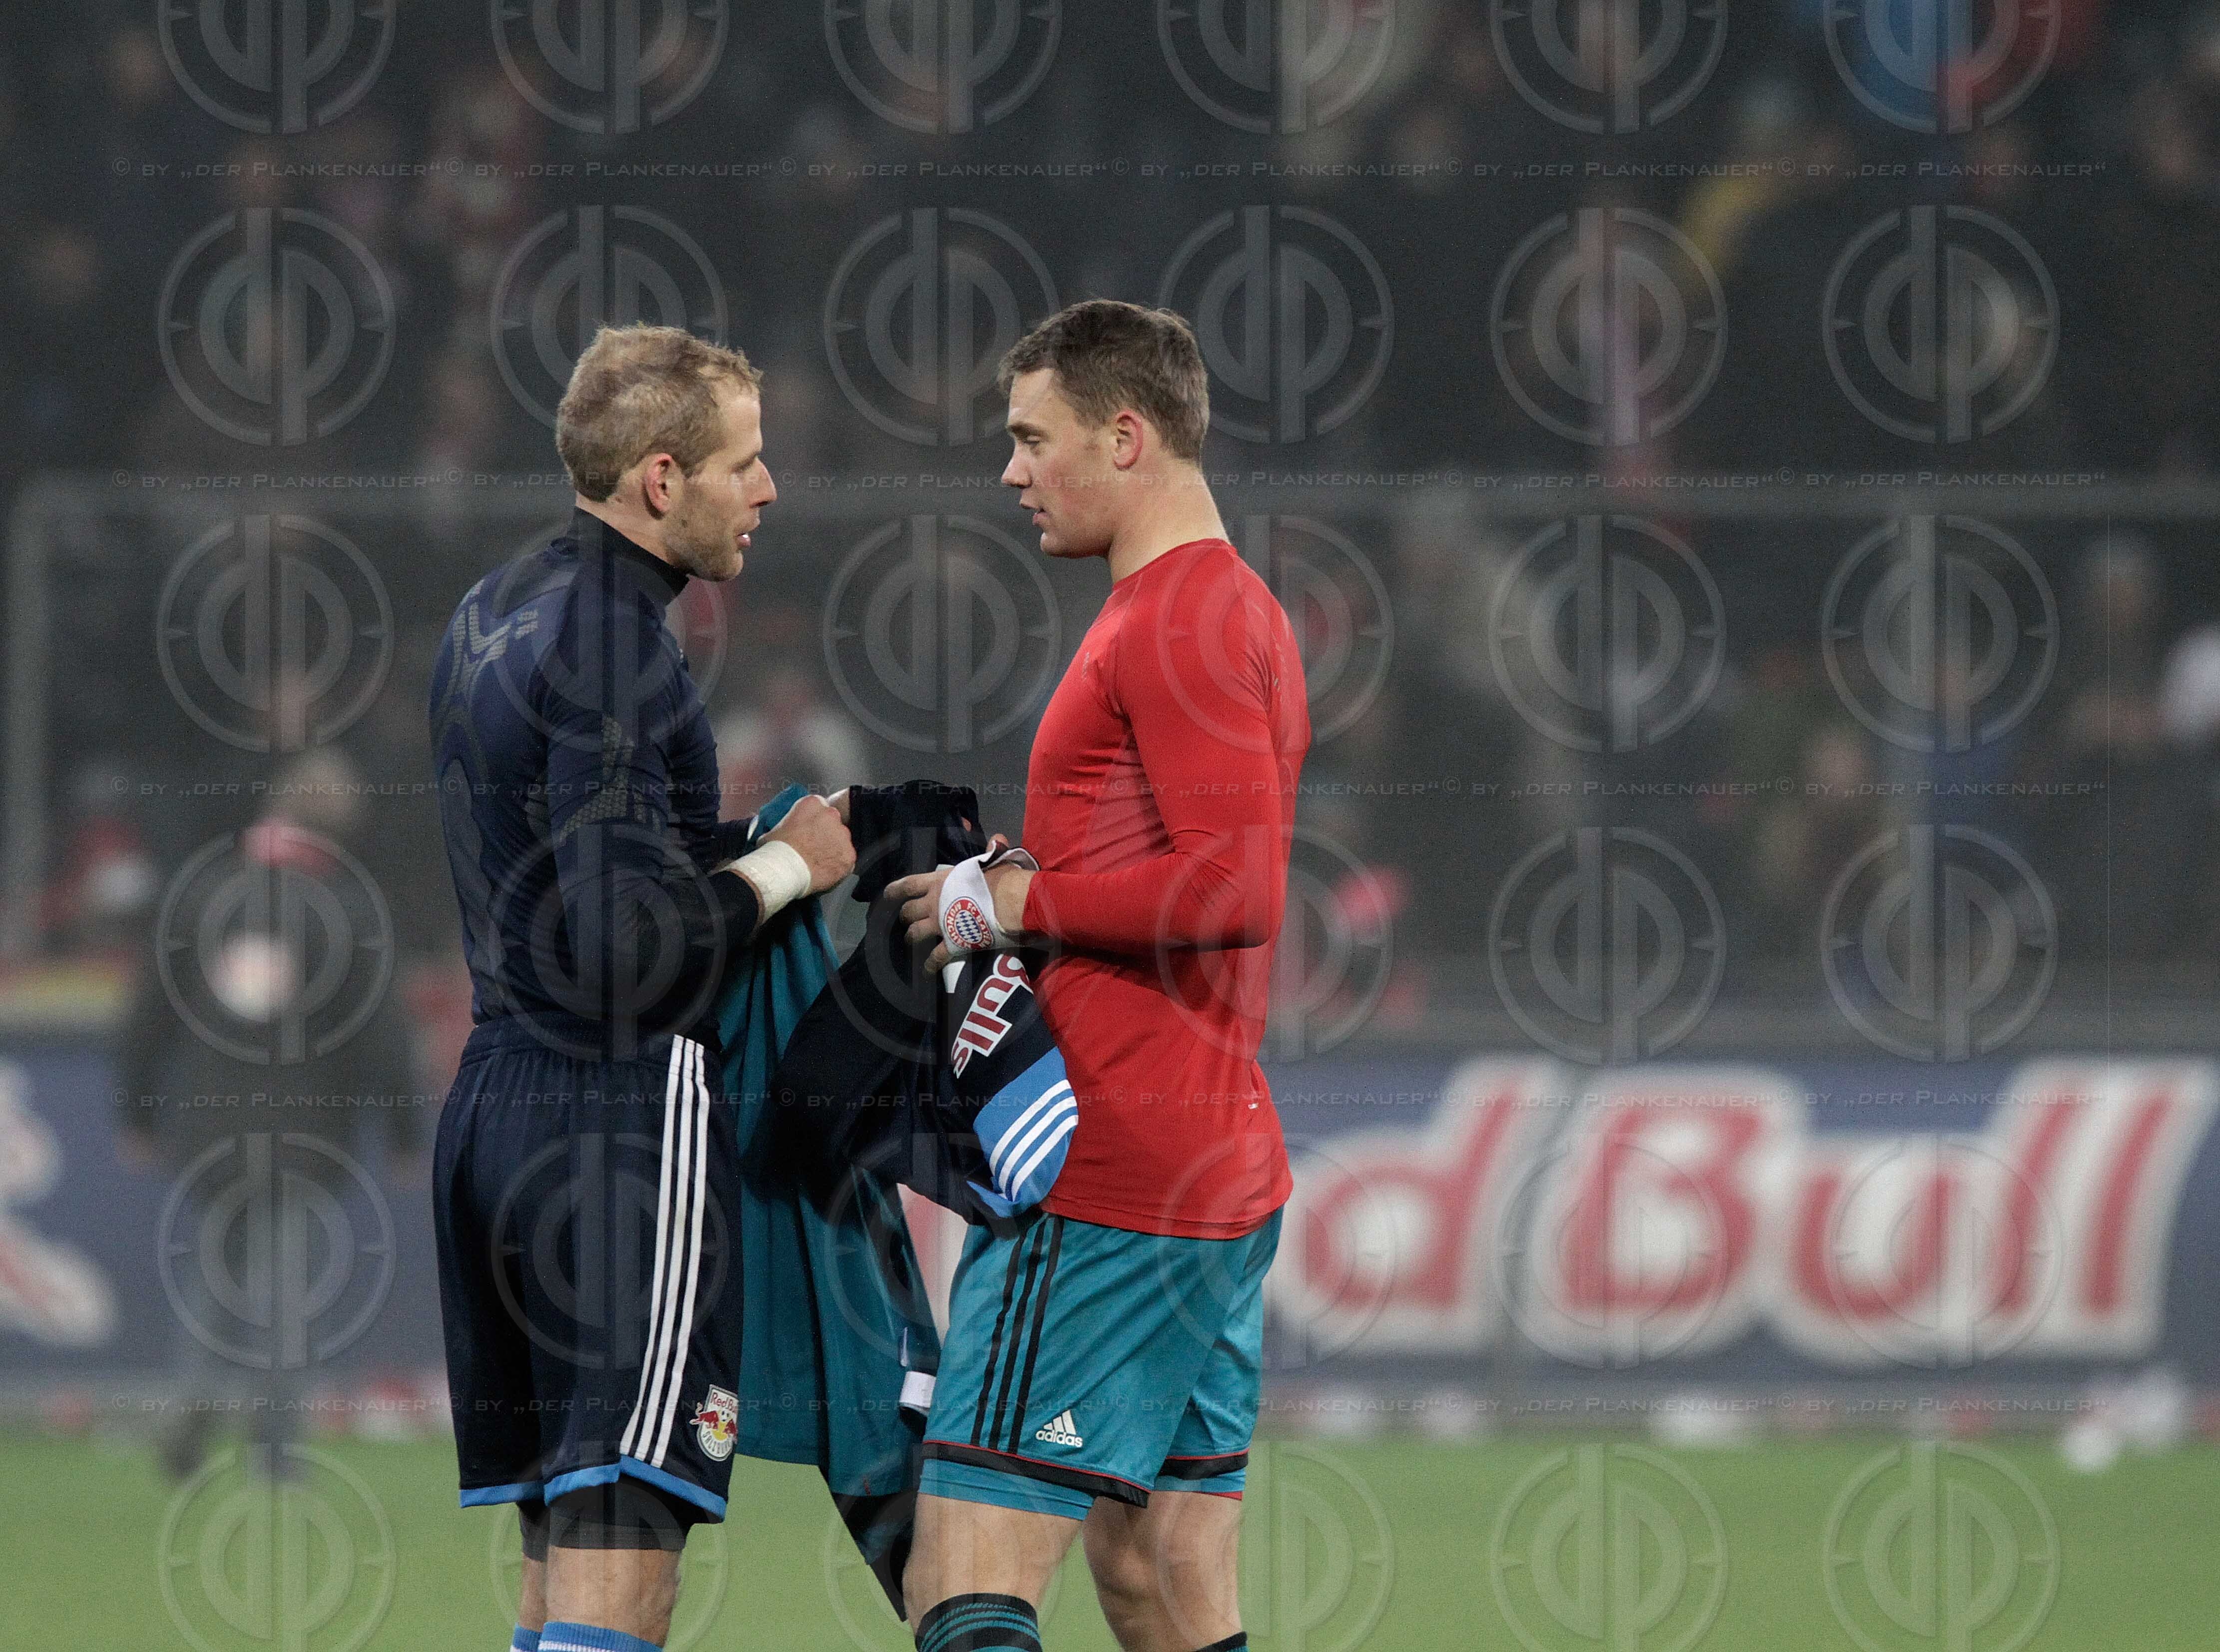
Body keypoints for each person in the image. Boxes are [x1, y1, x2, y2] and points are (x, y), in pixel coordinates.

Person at [888, 301, 1311, 1652]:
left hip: (1107, 1166)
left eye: (1031, 437)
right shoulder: (1227, 607)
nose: (1011, 472)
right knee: (1160, 1573)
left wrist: (1013, 903)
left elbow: (1234, 889)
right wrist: (1007, 891)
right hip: (1208, 1163)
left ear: (1125, 438)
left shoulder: (1177, 620)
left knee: (964, 1568)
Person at [426, 323, 855, 1652]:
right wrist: (789, 866)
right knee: (627, 1543)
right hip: (611, 1122)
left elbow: (567, 892)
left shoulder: (487, 613)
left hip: (493, 1105)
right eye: (746, 461)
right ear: (660, 479)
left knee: (563, 1539)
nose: (768, 488)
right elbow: (625, 952)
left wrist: (730, 853)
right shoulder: (622, 646)